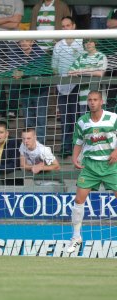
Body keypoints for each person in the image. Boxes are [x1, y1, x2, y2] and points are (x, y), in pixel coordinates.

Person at [67, 90, 117, 254]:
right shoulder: (82, 121)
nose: (92, 102)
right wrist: (75, 158)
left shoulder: (113, 118)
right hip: (90, 166)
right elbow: (78, 142)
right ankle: (76, 238)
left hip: (111, 165)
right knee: (78, 199)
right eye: (90, 100)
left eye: (95, 99)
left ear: (101, 101)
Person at [52, 16, 84, 159]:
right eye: (63, 26)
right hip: (62, 86)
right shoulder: (58, 45)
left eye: (68, 25)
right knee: (65, 118)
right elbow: (54, 67)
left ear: (74, 26)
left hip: (78, 85)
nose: (65, 28)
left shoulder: (82, 41)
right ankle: (65, 148)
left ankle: (79, 149)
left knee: (78, 118)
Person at [8, 39, 50, 145]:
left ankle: (40, 145)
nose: (23, 43)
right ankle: (29, 144)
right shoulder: (16, 53)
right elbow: (12, 68)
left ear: (32, 42)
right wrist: (17, 72)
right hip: (25, 90)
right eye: (21, 41)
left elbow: (38, 69)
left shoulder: (39, 52)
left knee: (40, 120)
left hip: (40, 91)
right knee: (28, 120)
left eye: (26, 40)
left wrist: (24, 72)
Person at [68, 39, 107, 117]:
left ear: (95, 43)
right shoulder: (81, 58)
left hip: (99, 100)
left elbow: (100, 73)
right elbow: (70, 72)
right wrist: (92, 71)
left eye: (90, 41)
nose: (88, 44)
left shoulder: (101, 56)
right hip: (84, 100)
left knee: (99, 124)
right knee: (85, 125)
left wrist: (80, 72)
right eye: (86, 42)